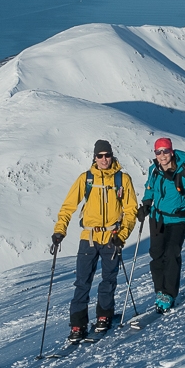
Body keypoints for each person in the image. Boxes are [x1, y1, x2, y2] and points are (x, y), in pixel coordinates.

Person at [52, 139, 138, 342]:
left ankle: (103, 317)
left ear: (112, 156)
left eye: (107, 155)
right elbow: (68, 206)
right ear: (94, 157)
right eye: (100, 156)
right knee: (82, 282)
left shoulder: (122, 179)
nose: (104, 159)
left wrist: (122, 235)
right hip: (88, 237)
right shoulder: (86, 179)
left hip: (112, 237)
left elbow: (130, 210)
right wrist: (59, 231)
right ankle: (77, 326)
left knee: (108, 280)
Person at [137, 137, 185, 312]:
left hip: (178, 219)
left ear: (171, 151)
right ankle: (160, 291)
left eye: (165, 151)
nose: (162, 155)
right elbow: (149, 188)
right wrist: (146, 204)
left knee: (172, 253)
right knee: (156, 255)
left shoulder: (183, 172)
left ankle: (169, 293)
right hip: (158, 218)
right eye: (158, 152)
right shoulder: (154, 170)